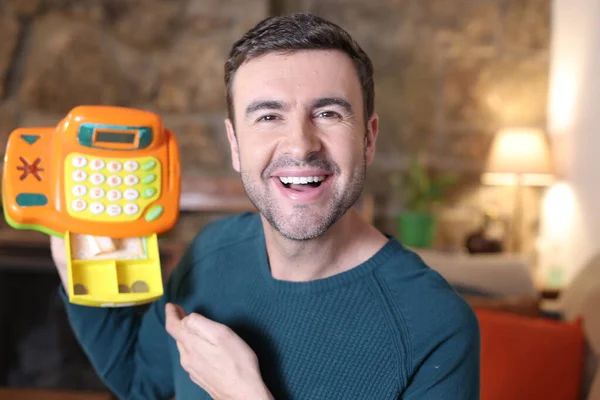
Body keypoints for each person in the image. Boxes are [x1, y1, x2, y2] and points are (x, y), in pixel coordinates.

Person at [50, 12, 480, 400]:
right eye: (268, 116)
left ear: (367, 139)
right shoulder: (208, 252)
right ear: (235, 145)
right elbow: (140, 381)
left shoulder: (437, 325)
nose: (300, 144)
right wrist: (79, 276)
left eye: (328, 113)